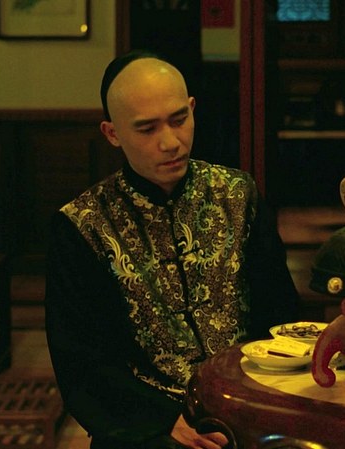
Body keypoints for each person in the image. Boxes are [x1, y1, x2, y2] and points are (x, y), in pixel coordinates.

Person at [44, 51, 300, 449]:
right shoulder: (83, 224)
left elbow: (279, 314)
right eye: (147, 129)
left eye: (179, 120)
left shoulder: (237, 194)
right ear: (112, 133)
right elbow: (81, 361)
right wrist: (165, 421)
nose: (171, 142)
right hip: (144, 420)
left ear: (192, 108)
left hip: (247, 402)